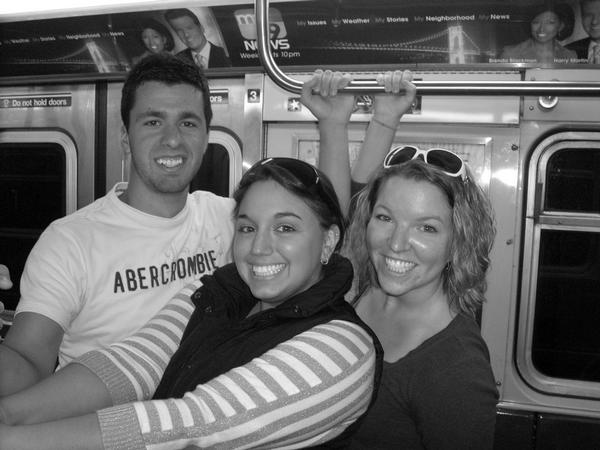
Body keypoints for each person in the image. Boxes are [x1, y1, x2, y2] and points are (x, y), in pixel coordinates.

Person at [0, 157, 382, 450]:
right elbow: (133, 363)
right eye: (247, 228)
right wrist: (9, 415)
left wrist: (12, 440)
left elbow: (189, 425)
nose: (259, 247)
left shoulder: (343, 349)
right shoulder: (215, 294)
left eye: (285, 228)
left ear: (328, 241)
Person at [0, 53, 235, 396]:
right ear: (125, 137)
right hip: (100, 423)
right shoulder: (71, 242)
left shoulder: (228, 218)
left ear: (206, 135)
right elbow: (28, 360)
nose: (172, 139)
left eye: (188, 123)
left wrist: (322, 119)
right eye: (153, 122)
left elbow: (310, 239)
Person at [304, 71, 499, 449]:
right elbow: (339, 210)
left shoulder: (456, 370)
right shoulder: (366, 286)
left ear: (458, 240)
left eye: (426, 228)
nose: (396, 243)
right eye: (385, 218)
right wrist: (350, 121)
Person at [500, 2, 576, 63]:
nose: (541, 29)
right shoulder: (510, 54)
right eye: (536, 22)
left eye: (550, 22)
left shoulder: (570, 56)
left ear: (561, 26)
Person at [165, 8, 232, 69]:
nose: (186, 35)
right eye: (179, 31)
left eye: (189, 28)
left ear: (201, 28)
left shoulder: (226, 56)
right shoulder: (176, 61)